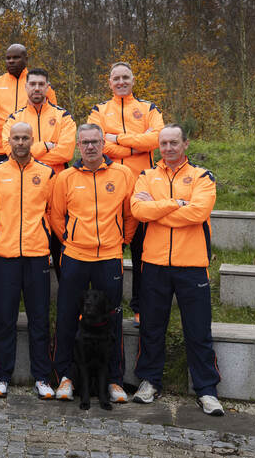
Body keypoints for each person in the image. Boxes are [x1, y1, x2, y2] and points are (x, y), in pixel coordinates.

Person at [130, 124, 223, 416]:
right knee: (151, 327)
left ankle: (207, 390)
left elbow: (199, 213)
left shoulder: (201, 176)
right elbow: (138, 211)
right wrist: (174, 204)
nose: (168, 148)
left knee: (197, 331)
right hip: (155, 264)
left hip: (192, 265)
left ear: (185, 144)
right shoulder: (146, 175)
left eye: (173, 143)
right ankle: (150, 381)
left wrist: (158, 209)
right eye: (163, 143)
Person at [49, 123, 136, 404]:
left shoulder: (123, 174)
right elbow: (56, 215)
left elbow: (130, 213)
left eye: (95, 141)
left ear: (103, 144)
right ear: (77, 145)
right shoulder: (65, 178)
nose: (90, 147)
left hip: (109, 257)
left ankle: (114, 380)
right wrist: (71, 240)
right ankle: (65, 377)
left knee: (112, 318)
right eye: (85, 142)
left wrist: (121, 239)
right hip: (75, 256)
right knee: (66, 316)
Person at [0, 121, 56, 399]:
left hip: (37, 255)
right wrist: (0, 233)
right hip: (6, 255)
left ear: (32, 140)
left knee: (39, 318)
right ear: (8, 142)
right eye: (17, 138)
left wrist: (44, 236)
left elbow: (54, 211)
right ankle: (1, 375)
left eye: (26, 138)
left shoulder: (47, 173)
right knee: (4, 318)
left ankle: (42, 377)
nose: (21, 143)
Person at [88, 62, 164, 326]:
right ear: (109, 82)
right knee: (108, 254)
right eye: (116, 78)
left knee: (142, 252)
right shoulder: (99, 109)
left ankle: (140, 306)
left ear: (133, 80)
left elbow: (156, 139)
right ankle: (103, 307)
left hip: (143, 190)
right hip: (109, 190)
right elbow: (98, 145)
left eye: (125, 77)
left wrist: (118, 139)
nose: (121, 82)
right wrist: (135, 145)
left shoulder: (148, 108)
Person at [1, 68, 76, 278]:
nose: (36, 88)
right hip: (25, 188)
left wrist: (31, 154)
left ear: (47, 87)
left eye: (41, 84)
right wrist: (48, 146)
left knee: (61, 243)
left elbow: (66, 151)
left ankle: (67, 300)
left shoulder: (63, 116)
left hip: (57, 187)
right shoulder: (14, 118)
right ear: (25, 87)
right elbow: (11, 152)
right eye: (32, 84)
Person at [0, 44, 57, 168]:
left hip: (33, 150)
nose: (11, 61)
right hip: (0, 150)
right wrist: (0, 135)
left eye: (16, 57)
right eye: (8, 58)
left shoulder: (39, 85)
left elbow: (52, 115)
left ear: (26, 59)